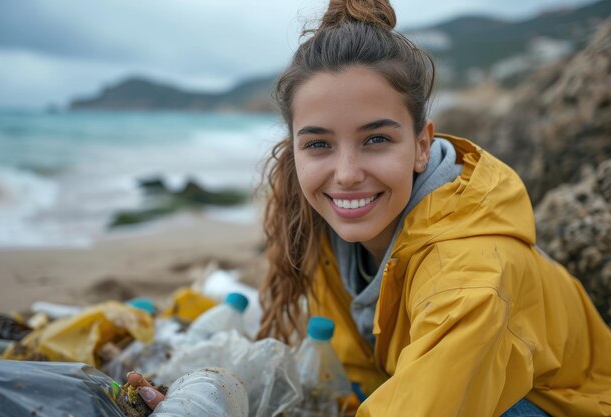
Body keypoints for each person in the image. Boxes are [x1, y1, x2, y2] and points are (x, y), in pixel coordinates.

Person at [254, 0, 611, 416]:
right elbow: (358, 369)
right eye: (318, 144)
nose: (347, 174)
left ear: (421, 145)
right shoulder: (327, 233)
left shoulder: (467, 271)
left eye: (376, 140)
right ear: (295, 149)